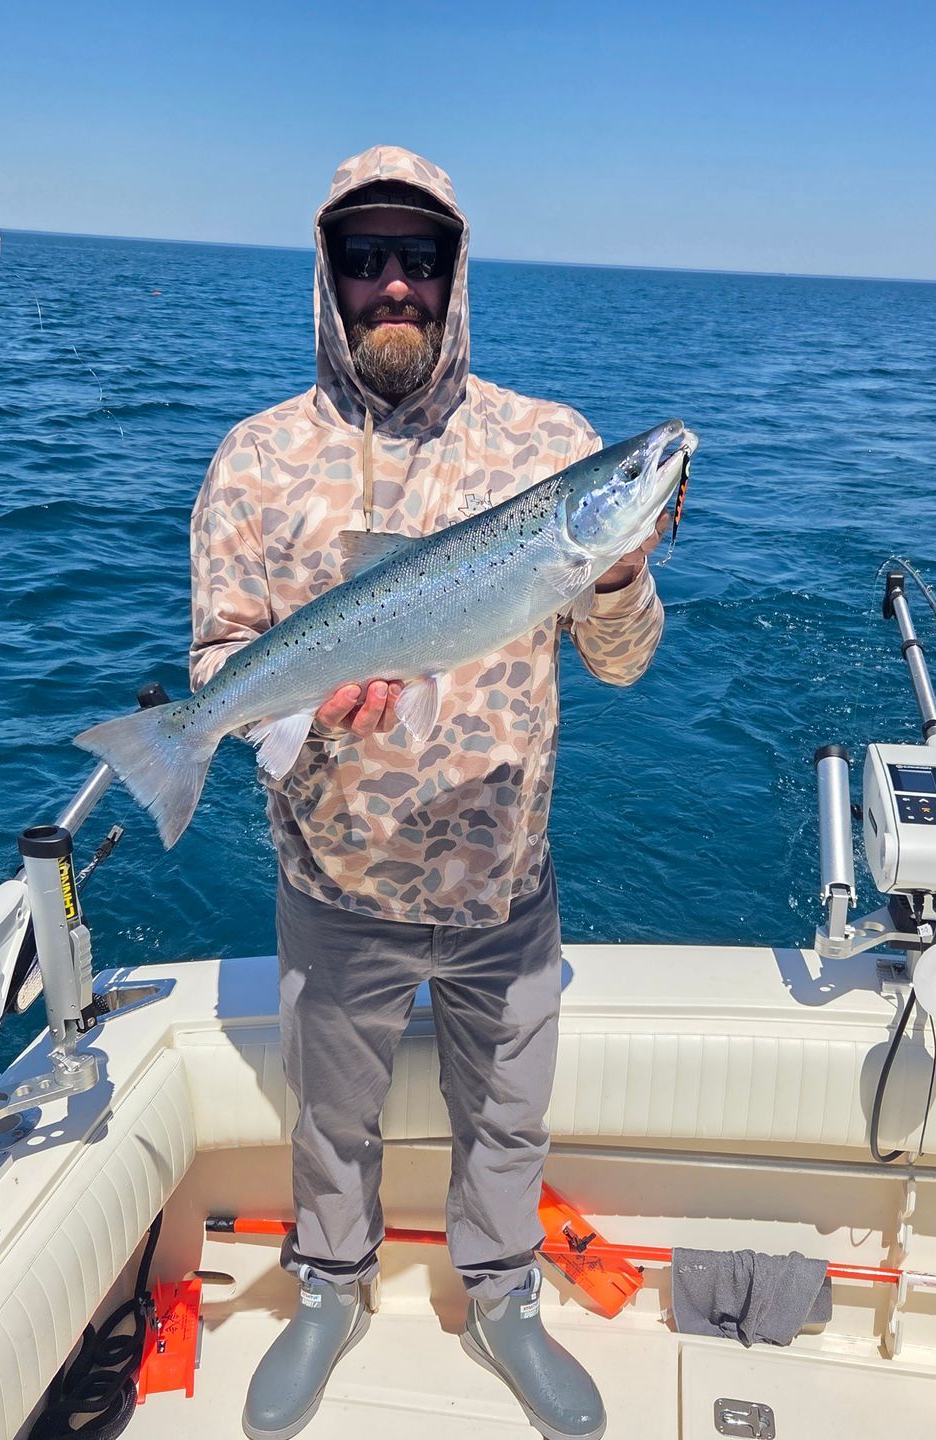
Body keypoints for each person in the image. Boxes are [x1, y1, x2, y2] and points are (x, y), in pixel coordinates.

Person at [189, 145, 665, 1440]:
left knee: (508, 1120)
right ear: (330, 277)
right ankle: (330, 1289)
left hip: (504, 886)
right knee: (329, 1122)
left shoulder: (550, 447)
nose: (392, 281)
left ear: (456, 275)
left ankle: (502, 1295)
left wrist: (617, 579)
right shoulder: (254, 459)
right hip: (331, 888)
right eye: (364, 257)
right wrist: (261, 711)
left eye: (420, 256)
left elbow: (622, 668)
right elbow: (220, 653)